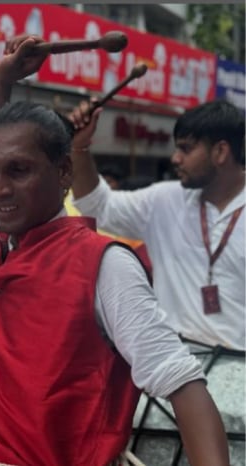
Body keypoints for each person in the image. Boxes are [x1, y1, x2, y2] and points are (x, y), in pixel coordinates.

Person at [0, 34, 228, 465]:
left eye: (19, 171)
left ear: (63, 173)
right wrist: (2, 83)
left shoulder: (104, 266)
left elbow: (183, 385)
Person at [69, 99, 245, 351]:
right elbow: (96, 206)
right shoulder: (163, 200)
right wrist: (80, 147)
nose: (175, 158)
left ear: (221, 152)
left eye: (186, 149)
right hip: (174, 370)